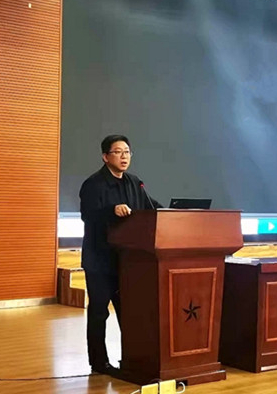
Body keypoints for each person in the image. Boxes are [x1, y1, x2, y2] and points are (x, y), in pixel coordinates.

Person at [79, 134, 162, 375]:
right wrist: (111, 210)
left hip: (128, 261)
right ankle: (99, 362)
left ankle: (135, 358)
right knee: (99, 312)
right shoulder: (93, 184)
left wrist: (174, 213)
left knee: (130, 312)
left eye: (127, 152)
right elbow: (88, 215)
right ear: (105, 157)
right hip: (100, 261)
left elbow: (151, 207)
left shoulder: (134, 182)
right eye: (118, 152)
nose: (124, 156)